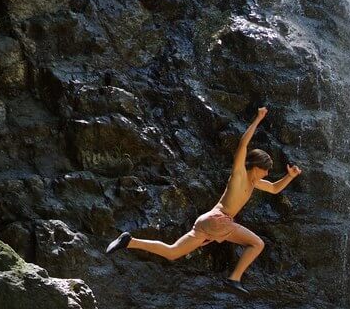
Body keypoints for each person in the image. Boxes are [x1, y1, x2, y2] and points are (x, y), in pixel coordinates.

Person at [105, 106, 302, 294]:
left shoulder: (255, 183)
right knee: (257, 244)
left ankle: (129, 241)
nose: (267, 173)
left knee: (173, 252)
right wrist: (258, 119)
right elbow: (243, 145)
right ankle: (234, 279)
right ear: (255, 166)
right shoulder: (239, 175)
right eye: (265, 169)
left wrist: (290, 177)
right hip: (219, 220)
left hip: (208, 221)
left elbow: (275, 188)